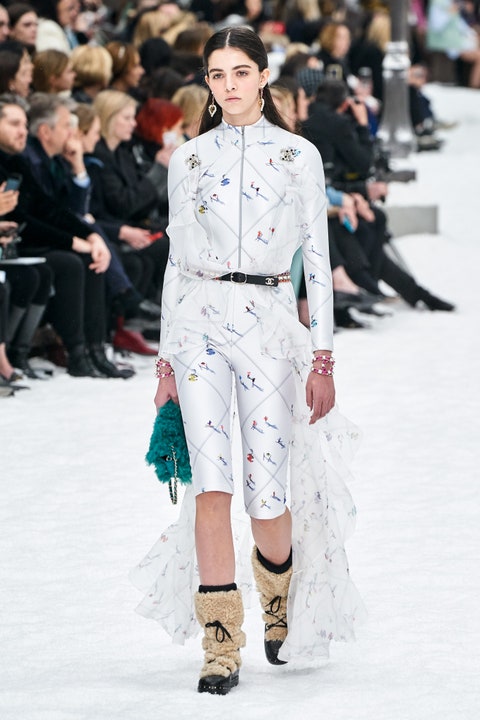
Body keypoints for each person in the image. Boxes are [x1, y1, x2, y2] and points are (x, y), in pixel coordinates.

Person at [131, 26, 365, 696]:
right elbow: (175, 263)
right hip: (199, 325)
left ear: (264, 76)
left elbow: (316, 261)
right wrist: (165, 364)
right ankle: (220, 643)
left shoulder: (298, 156)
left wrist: (323, 358)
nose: (229, 85)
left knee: (268, 493)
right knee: (211, 486)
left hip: (268, 326)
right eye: (217, 74)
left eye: (241, 72)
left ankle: (277, 600)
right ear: (206, 82)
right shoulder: (189, 159)